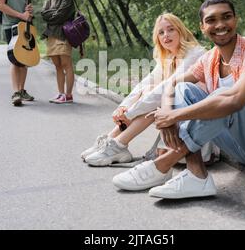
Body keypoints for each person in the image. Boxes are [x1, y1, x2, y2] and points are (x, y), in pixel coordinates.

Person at [112, 0, 245, 197]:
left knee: (222, 98)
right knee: (184, 88)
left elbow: (235, 100)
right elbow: (172, 85)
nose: (220, 24)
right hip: (238, 148)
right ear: (202, 27)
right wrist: (166, 114)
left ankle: (162, 164)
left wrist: (175, 116)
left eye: (226, 17)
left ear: (236, 20)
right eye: (211, 20)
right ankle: (197, 176)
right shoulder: (209, 58)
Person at [81, 13, 217, 169]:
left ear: (181, 31)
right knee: (148, 88)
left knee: (158, 94)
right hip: (178, 117)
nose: (166, 35)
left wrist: (130, 113)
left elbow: (166, 89)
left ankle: (118, 145)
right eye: (161, 32)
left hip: (198, 124)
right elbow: (146, 83)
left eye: (170, 29)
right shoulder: (168, 58)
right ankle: (111, 140)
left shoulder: (195, 53)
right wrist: (123, 107)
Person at [0, 0, 35, 106]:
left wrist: (29, 11)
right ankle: (15, 93)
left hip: (26, 25)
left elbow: (27, 6)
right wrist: (21, 15)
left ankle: (22, 90)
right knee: (15, 58)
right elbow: (0, 5)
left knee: (25, 60)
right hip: (11, 25)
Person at [41, 0, 76, 104]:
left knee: (66, 64)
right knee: (57, 66)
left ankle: (68, 95)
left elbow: (61, 14)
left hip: (63, 34)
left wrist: (52, 15)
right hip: (51, 35)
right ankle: (60, 93)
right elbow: (44, 14)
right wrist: (53, 14)